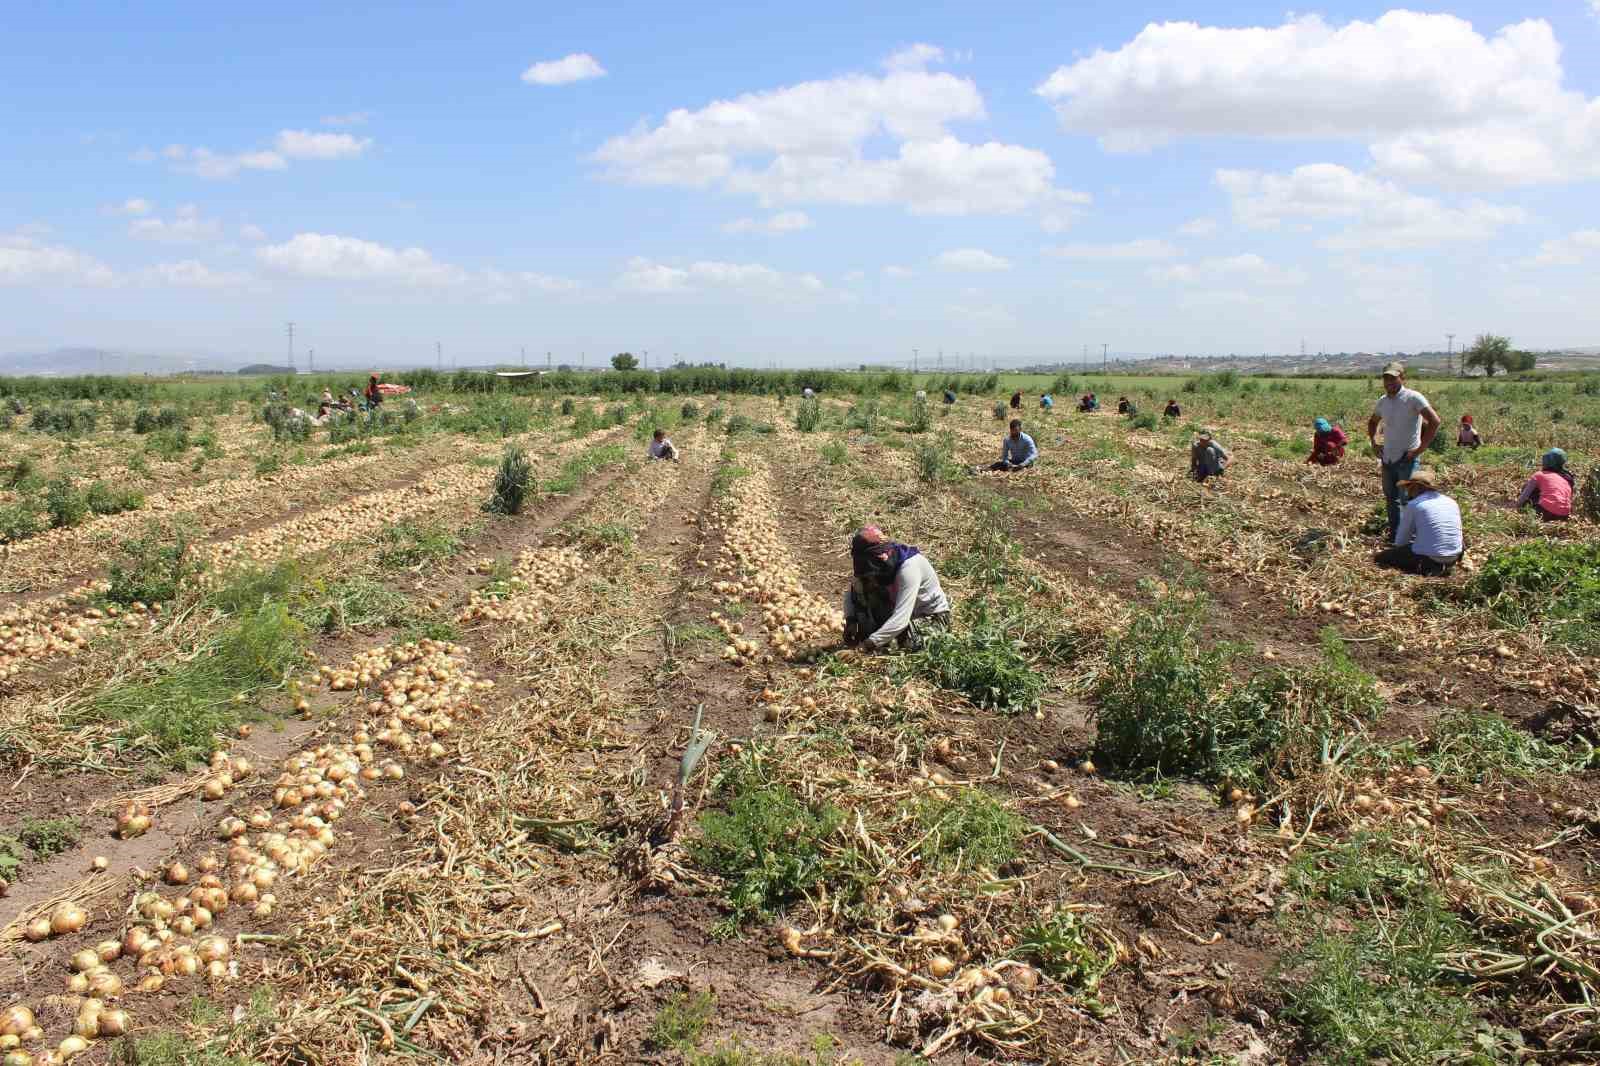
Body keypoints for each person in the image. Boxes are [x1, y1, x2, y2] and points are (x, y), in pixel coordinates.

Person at [842, 526, 951, 651]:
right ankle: (875, 635)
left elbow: (901, 619)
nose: (870, 575)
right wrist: (851, 620)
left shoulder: (909, 567)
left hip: (931, 618)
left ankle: (879, 639)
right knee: (862, 587)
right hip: (900, 615)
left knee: (903, 640)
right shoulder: (876, 567)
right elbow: (852, 591)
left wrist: (867, 645)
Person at [1366, 362, 1440, 544]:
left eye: (1393, 377)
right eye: (1386, 378)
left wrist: (1420, 449)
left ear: (1402, 378)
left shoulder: (1414, 398)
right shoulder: (1383, 401)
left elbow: (1435, 421)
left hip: (1407, 458)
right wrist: (1374, 442)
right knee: (1391, 500)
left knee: (1408, 500)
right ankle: (1395, 536)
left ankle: (1411, 539)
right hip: (1388, 458)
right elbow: (1372, 422)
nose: (1389, 381)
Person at [1375, 469, 1463, 576]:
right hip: (1454, 558)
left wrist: (1397, 551)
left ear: (1416, 487)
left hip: (1430, 560)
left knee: (1381, 557)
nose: (1407, 491)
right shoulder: (1451, 502)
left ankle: (1429, 569)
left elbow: (1401, 540)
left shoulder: (1414, 504)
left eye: (1409, 487)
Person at [1515, 448, 1574, 521]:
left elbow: (1523, 498)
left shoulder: (1539, 475)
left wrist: (1515, 508)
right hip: (1564, 515)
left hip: (1545, 512)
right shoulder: (1567, 479)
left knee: (1528, 489)